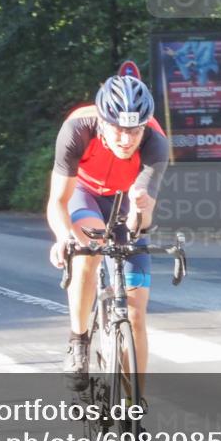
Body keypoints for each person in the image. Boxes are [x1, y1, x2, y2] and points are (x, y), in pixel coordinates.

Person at [47, 75, 169, 402]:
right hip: (84, 193)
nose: (127, 139)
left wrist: (139, 211)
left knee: (136, 311)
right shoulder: (77, 130)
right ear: (102, 120)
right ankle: (79, 340)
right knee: (89, 248)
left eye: (135, 130)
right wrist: (62, 238)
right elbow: (58, 201)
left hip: (127, 199)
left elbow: (141, 223)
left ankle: (134, 408)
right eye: (118, 128)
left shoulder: (155, 143)